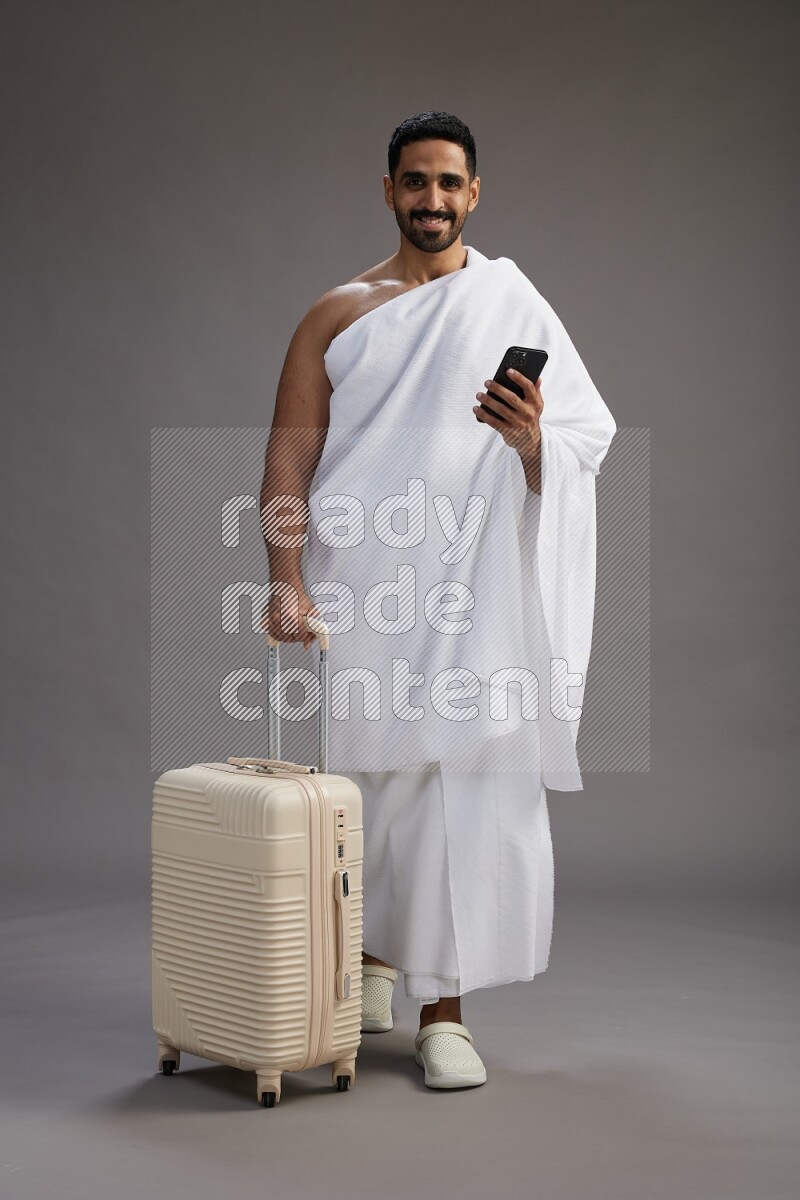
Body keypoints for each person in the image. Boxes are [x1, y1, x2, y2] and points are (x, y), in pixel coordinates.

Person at [260, 111, 616, 1090]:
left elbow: (581, 440)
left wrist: (532, 441)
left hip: (473, 586)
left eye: (448, 184)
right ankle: (375, 961)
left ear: (473, 193)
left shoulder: (511, 305)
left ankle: (442, 1013)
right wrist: (283, 584)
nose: (431, 201)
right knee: (374, 786)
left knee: (462, 789)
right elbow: (289, 455)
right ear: (386, 190)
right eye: (413, 182)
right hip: (362, 583)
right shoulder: (337, 312)